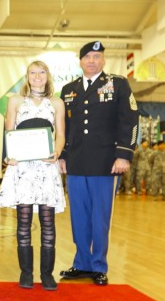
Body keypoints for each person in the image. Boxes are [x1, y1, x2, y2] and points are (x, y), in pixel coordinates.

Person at [58, 41, 139, 286]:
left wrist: (124, 154)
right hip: (76, 163)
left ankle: (98, 265)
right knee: (79, 216)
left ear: (103, 60)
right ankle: (81, 263)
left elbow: (130, 121)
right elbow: (65, 128)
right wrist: (62, 156)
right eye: (88, 57)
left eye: (97, 56)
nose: (92, 61)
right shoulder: (68, 89)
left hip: (106, 163)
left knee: (100, 216)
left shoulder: (118, 84)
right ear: (80, 61)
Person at [0, 61, 66, 290]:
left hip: (46, 167)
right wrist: (9, 156)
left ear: (48, 76)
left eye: (42, 72)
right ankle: (26, 273)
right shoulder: (15, 100)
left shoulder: (56, 103)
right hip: (22, 167)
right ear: (26, 76)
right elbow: (9, 131)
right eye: (33, 73)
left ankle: (47, 274)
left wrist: (57, 152)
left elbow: (61, 134)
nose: (37, 76)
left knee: (48, 222)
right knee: (24, 222)